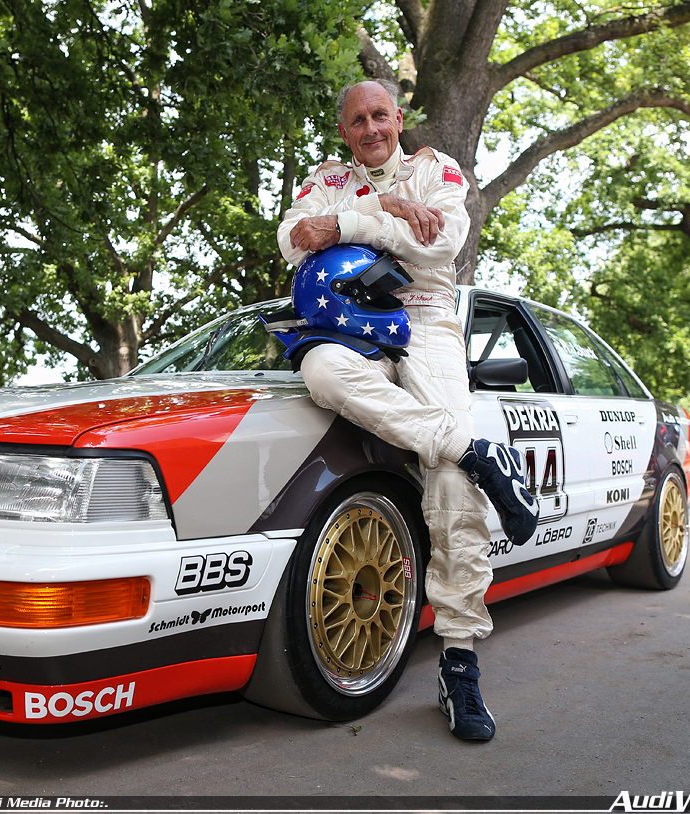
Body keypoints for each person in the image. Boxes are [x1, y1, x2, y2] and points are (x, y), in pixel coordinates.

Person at [276, 79, 539, 742]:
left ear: (399, 118)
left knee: (448, 483)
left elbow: (439, 246)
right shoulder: (324, 177)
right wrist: (380, 214)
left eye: (379, 116)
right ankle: (475, 451)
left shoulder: (436, 169)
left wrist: (354, 223)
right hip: (350, 330)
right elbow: (293, 238)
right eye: (357, 121)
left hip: (424, 322)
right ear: (344, 130)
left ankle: (459, 660)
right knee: (316, 368)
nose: (370, 129)